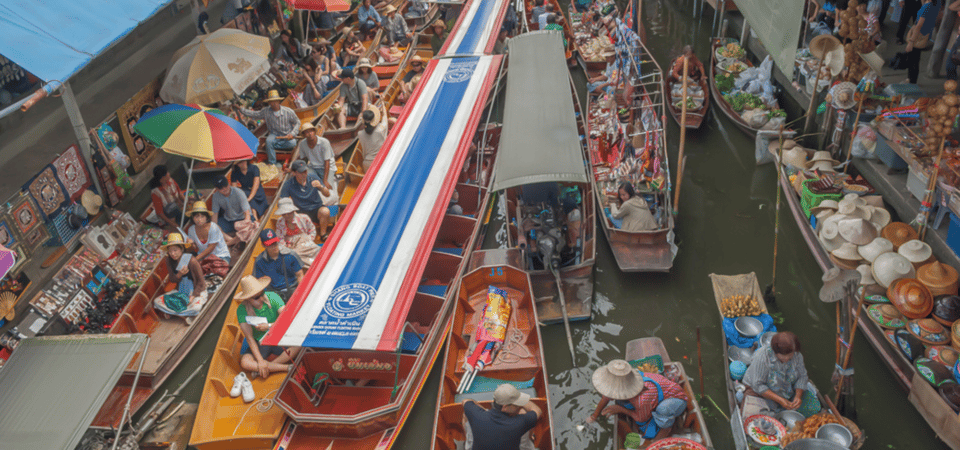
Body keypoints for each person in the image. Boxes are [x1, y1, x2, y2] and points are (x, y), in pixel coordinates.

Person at [586, 359, 689, 441]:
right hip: (655, 397)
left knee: (662, 410)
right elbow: (606, 397)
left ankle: (667, 428)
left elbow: (641, 418)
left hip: (676, 399)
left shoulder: (642, 398)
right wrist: (594, 416)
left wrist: (620, 409)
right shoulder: (622, 380)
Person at [235, 275, 301, 381]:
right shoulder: (242, 310)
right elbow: (250, 338)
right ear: (248, 299)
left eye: (262, 293)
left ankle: (267, 368)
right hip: (261, 342)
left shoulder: (272, 296)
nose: (261, 298)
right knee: (245, 362)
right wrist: (260, 361)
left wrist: (269, 326)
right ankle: (286, 367)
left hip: (278, 335)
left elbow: (288, 320)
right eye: (256, 297)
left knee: (300, 344)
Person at [742, 332, 813, 413]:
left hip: (785, 389)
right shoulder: (762, 356)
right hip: (758, 392)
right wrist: (780, 400)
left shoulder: (797, 356)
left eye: (790, 356)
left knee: (813, 406)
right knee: (755, 415)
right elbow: (758, 385)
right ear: (775, 352)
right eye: (783, 356)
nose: (787, 359)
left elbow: (802, 376)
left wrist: (798, 396)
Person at [462, 384, 542, 450]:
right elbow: (537, 410)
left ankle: (467, 441)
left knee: (466, 415)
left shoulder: (477, 415)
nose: (519, 406)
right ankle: (530, 438)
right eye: (516, 405)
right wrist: (523, 401)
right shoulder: (519, 423)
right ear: (505, 407)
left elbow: (465, 401)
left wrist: (483, 411)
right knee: (523, 412)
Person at [237, 90, 300, 166]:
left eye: (275, 101)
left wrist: (292, 134)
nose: (273, 103)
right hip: (274, 135)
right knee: (268, 141)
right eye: (271, 102)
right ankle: (272, 162)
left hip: (287, 135)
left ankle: (270, 147)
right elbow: (255, 114)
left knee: (292, 143)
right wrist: (241, 109)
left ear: (279, 101)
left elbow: (297, 122)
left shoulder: (288, 111)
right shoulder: (266, 111)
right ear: (269, 103)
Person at [153, 232, 208, 317]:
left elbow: (201, 282)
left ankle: (175, 312)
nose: (172, 254)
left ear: (182, 249)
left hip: (196, 291)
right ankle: (182, 313)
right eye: (170, 251)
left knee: (196, 307)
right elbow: (172, 279)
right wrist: (179, 274)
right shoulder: (169, 260)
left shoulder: (192, 261)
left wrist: (192, 297)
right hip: (181, 291)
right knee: (157, 301)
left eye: (175, 250)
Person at [254, 228, 304, 300]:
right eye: (270, 244)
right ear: (263, 245)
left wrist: (300, 293)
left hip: (293, 288)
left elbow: (300, 275)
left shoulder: (290, 254)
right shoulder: (259, 261)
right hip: (274, 293)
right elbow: (258, 282)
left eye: (275, 243)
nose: (274, 246)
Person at [275, 198, 321, 266]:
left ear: (293, 211)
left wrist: (308, 240)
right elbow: (279, 237)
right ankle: (312, 265)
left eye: (289, 213)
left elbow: (312, 230)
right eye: (284, 214)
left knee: (318, 251)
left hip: (305, 241)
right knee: (292, 255)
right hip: (290, 244)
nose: (286, 215)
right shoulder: (279, 221)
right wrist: (286, 246)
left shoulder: (304, 217)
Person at [904, 0, 938, 84]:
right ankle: (911, 80)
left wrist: (911, 41)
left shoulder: (927, 6)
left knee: (913, 60)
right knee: (915, 59)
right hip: (925, 35)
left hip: (918, 36)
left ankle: (911, 82)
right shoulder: (934, 4)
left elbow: (919, 25)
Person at [297, 123, 337, 189]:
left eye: (311, 131)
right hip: (313, 167)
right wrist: (295, 169)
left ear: (314, 132)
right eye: (307, 132)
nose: (310, 134)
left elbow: (327, 162)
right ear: (304, 135)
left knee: (328, 188)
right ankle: (320, 185)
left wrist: (325, 180)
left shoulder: (324, 142)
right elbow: (302, 159)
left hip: (327, 167)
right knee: (308, 183)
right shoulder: (302, 144)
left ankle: (323, 183)